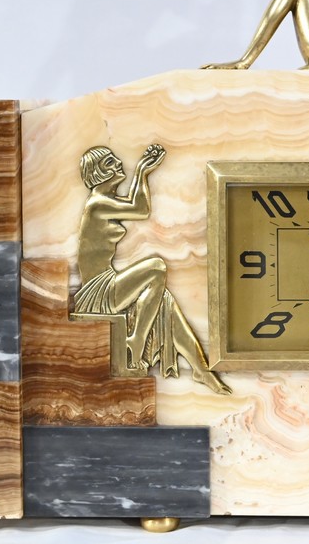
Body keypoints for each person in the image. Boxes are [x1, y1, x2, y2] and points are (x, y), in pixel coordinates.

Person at [75, 144, 231, 395]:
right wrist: (141, 171)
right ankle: (136, 340)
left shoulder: (106, 203)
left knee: (165, 300)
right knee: (156, 267)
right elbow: (140, 209)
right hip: (98, 291)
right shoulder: (97, 204)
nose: (118, 163)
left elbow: (135, 204)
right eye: (110, 162)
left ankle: (201, 369)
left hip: (109, 284)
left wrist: (142, 172)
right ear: (97, 173)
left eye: (115, 159)